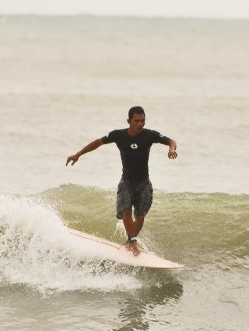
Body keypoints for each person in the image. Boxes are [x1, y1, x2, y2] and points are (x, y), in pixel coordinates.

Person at [66, 106, 178, 252]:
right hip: (127, 182)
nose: (140, 124)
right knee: (126, 210)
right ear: (129, 121)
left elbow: (171, 141)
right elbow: (98, 142)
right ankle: (130, 241)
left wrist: (172, 149)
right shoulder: (118, 135)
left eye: (142, 120)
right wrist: (78, 154)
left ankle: (132, 239)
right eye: (136, 121)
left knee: (139, 218)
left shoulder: (149, 135)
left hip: (143, 183)